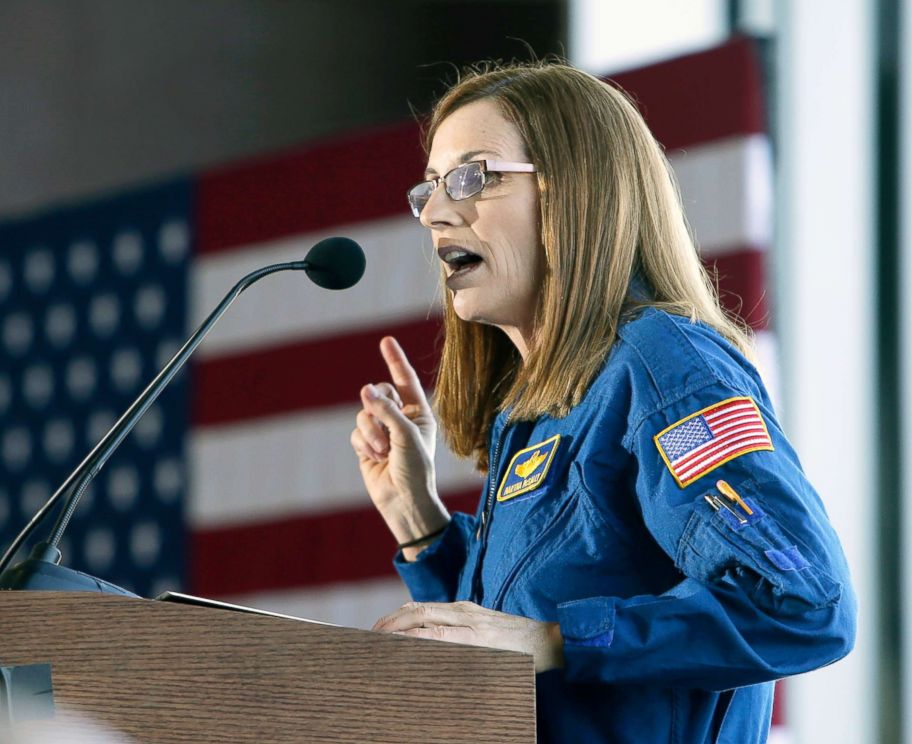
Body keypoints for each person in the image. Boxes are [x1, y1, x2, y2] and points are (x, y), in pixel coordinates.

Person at [350, 60, 856, 743]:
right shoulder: (534, 413)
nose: (438, 211)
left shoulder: (663, 365)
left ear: (572, 191)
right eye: (431, 187)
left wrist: (561, 641)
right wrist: (420, 524)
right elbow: (501, 658)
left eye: (473, 176)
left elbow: (801, 604)